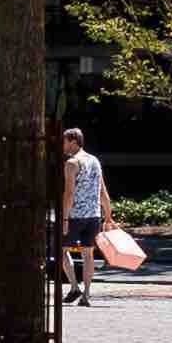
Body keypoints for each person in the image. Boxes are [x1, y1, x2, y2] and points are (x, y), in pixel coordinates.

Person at [60, 126, 113, 302]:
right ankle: (87, 293)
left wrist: (65, 218)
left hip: (75, 215)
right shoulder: (94, 161)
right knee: (88, 254)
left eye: (64, 141)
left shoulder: (71, 163)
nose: (62, 144)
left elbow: (69, 193)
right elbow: (102, 190)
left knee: (62, 250)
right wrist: (108, 215)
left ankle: (75, 286)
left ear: (73, 142)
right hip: (93, 215)